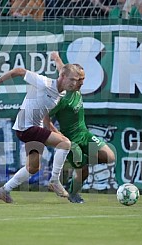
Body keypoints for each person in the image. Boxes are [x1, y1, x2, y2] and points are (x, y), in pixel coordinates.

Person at [0, 63, 83, 203]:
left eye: (76, 80)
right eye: (72, 79)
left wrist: (56, 133)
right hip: (26, 127)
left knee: (33, 167)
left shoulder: (62, 93)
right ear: (63, 77)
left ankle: (4, 190)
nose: (75, 83)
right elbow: (19, 71)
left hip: (32, 129)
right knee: (65, 144)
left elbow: (45, 117)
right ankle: (54, 181)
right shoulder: (45, 83)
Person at [45, 52, 116, 204]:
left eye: (83, 78)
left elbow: (63, 69)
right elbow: (45, 117)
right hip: (71, 140)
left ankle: (81, 161)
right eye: (80, 79)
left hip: (84, 133)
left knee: (109, 156)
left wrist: (57, 58)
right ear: (71, 80)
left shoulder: (74, 86)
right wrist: (59, 137)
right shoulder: (60, 98)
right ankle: (73, 194)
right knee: (82, 170)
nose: (82, 82)